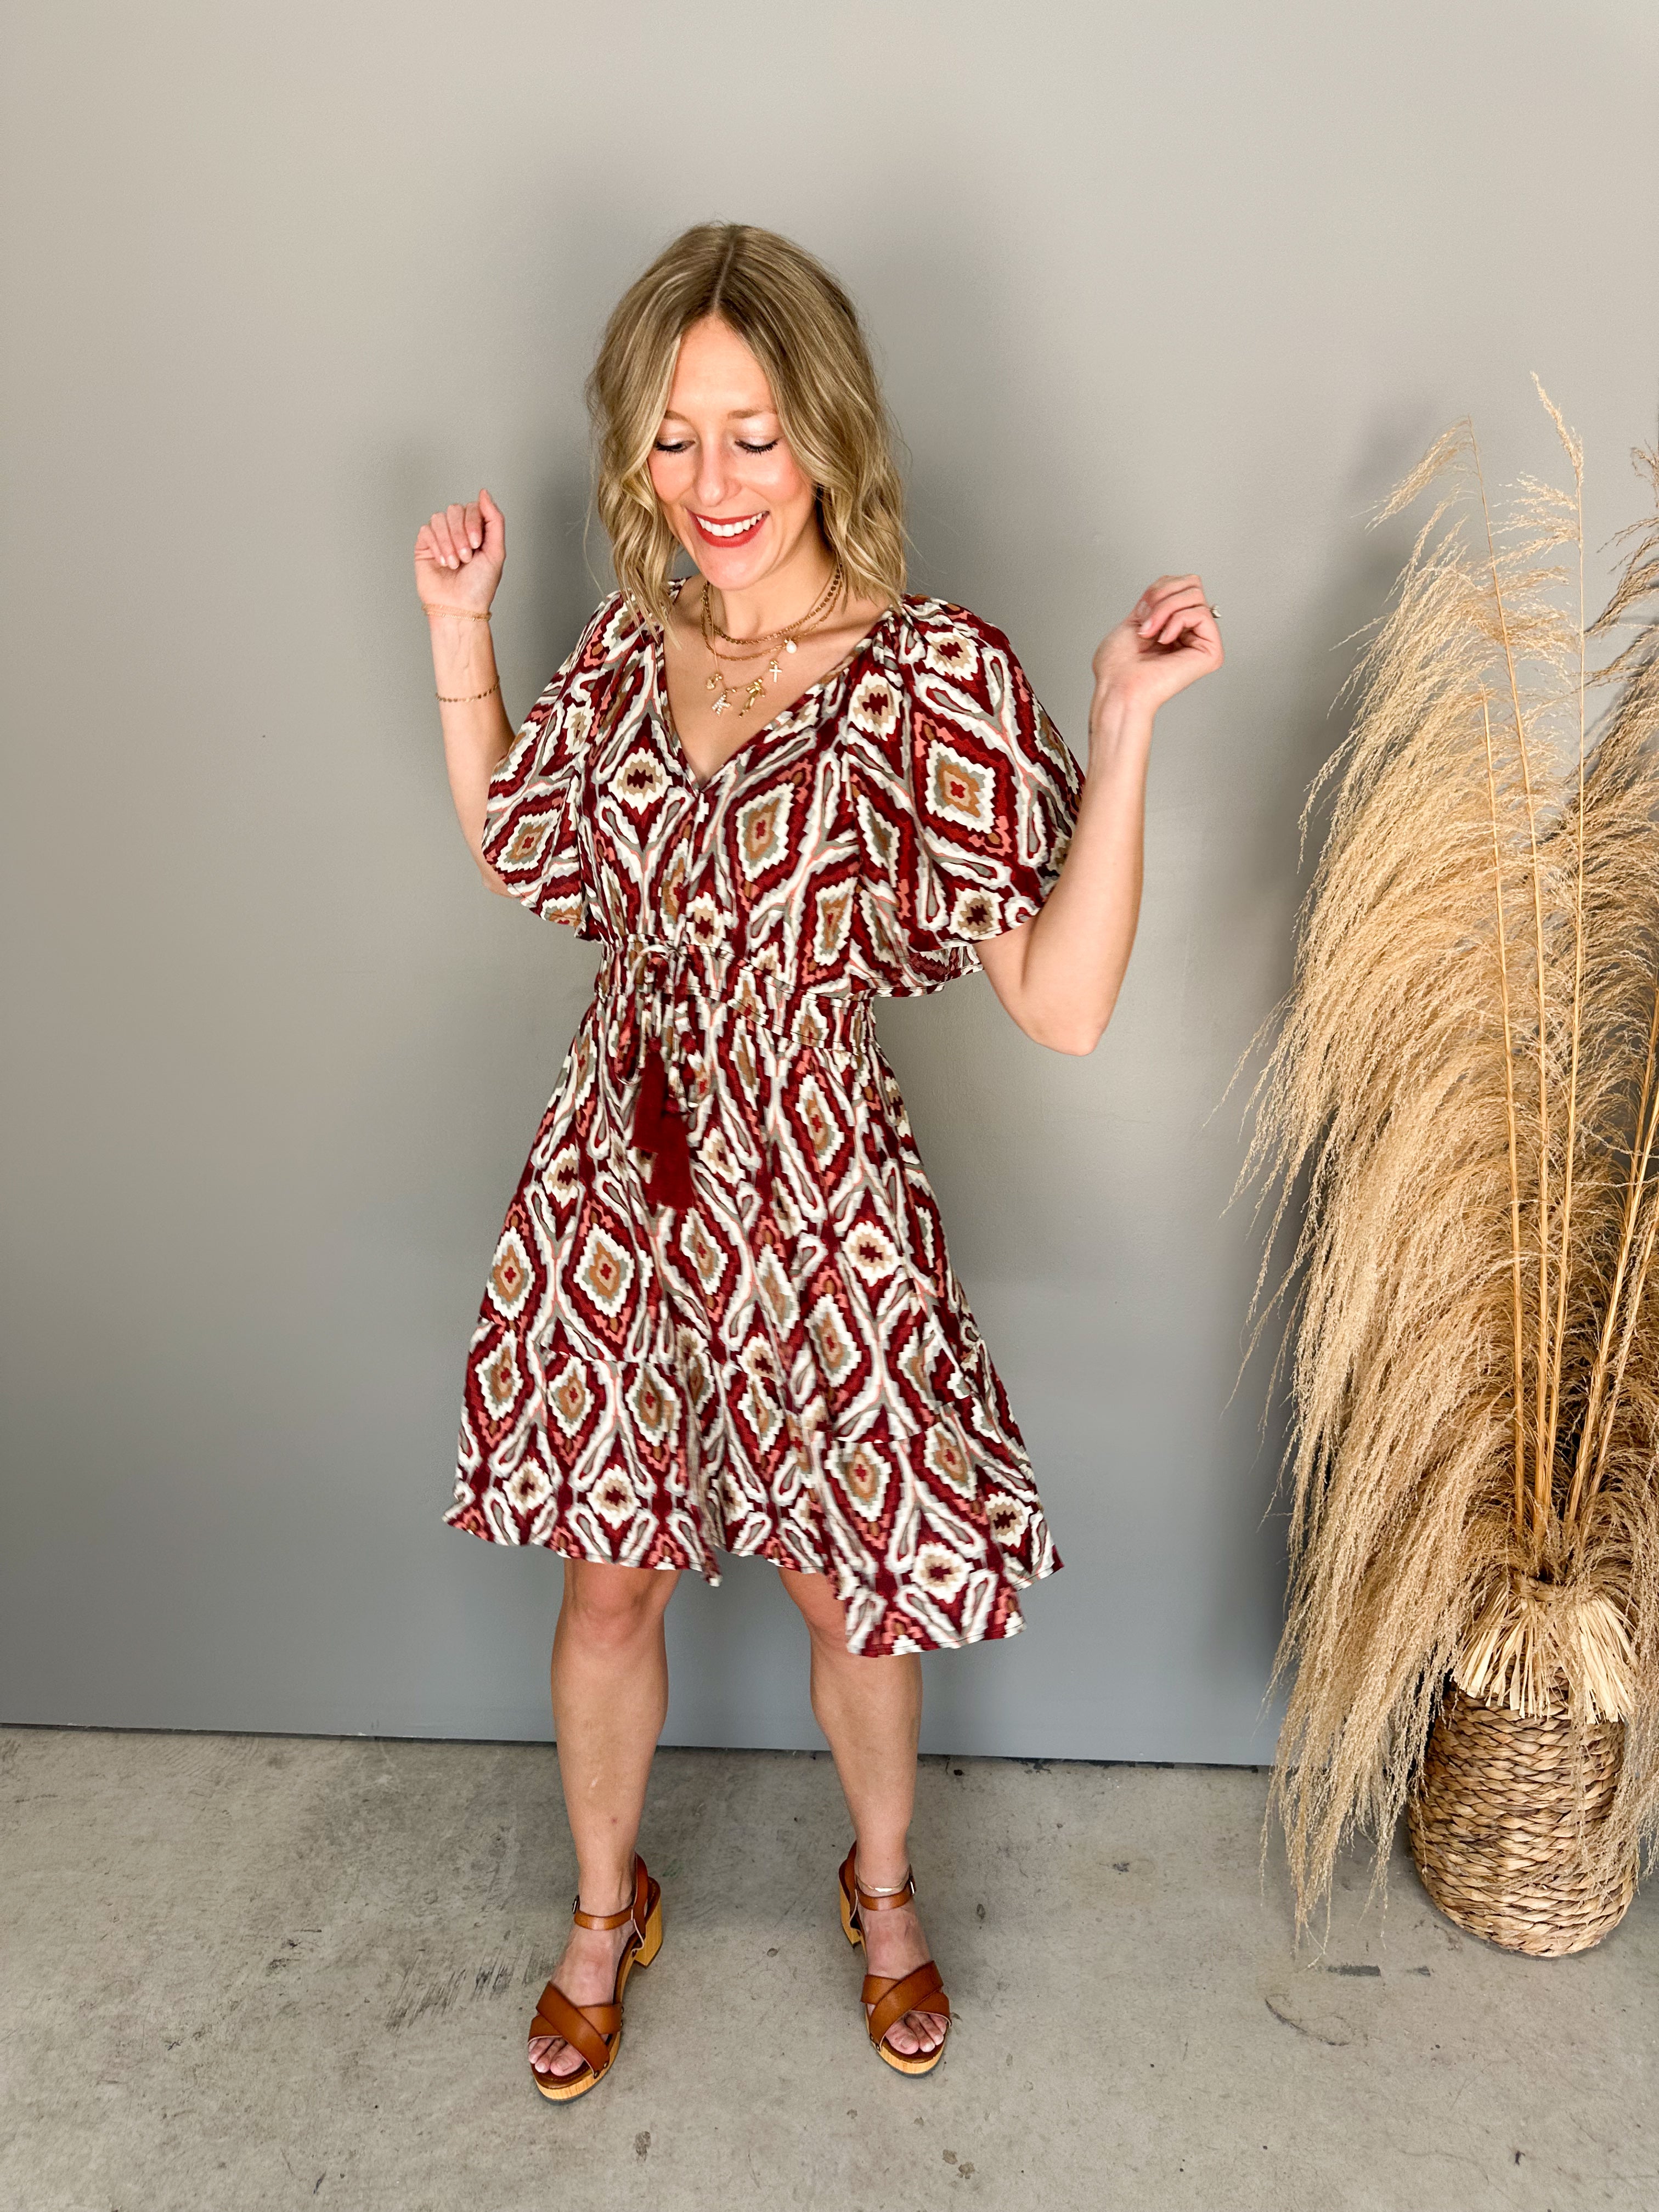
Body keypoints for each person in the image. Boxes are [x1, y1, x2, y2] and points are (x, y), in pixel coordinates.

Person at [414, 222, 1221, 2097]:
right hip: (618, 1177)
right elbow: (524, 851)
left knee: (854, 1585)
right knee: (606, 1582)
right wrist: (461, 633)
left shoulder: (934, 676)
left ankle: (883, 1889)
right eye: (675, 436)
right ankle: (605, 1910)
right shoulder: (632, 650)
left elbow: (1062, 1003)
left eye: (754, 434)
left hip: (819, 1195)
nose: (713, 483)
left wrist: (1120, 728)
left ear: (830, 433)